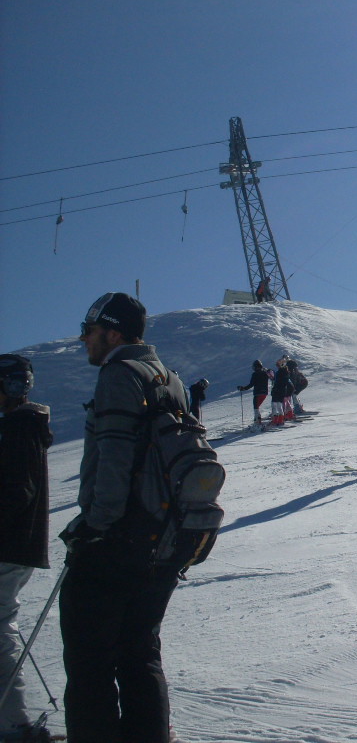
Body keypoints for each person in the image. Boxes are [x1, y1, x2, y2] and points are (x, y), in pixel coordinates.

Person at [58, 292, 183, 743]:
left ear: (111, 332)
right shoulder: (168, 377)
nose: (84, 340)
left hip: (117, 542)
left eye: (89, 332)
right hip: (163, 540)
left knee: (89, 663)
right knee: (140, 654)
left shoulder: (118, 374)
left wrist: (95, 526)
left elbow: (113, 457)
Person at [0, 355, 53, 742]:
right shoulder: (22, 425)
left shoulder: (18, 427)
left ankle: (14, 724)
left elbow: (17, 491)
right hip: (17, 545)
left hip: (9, 545)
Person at [237, 360, 272, 428]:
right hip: (264, 393)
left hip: (257, 393)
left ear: (255, 367)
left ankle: (257, 422)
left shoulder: (255, 374)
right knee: (257, 407)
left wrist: (243, 388)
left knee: (256, 407)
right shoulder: (265, 373)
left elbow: (251, 384)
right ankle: (257, 421)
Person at [270, 356, 295, 426]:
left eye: (278, 364)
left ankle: (277, 420)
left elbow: (280, 382)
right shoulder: (283, 372)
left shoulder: (282, 372)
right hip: (280, 390)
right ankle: (279, 419)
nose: (277, 366)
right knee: (278, 404)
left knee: (276, 404)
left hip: (279, 390)